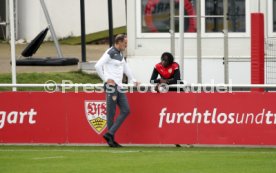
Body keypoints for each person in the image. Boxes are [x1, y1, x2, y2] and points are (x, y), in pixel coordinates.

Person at [95, 34, 139, 147]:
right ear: (119, 42)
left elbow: (126, 67)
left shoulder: (120, 53)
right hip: (111, 86)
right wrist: (106, 79)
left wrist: (133, 79)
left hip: (119, 86)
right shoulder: (110, 52)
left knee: (126, 110)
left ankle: (110, 134)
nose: (126, 45)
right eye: (125, 43)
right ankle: (111, 140)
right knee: (111, 113)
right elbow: (97, 66)